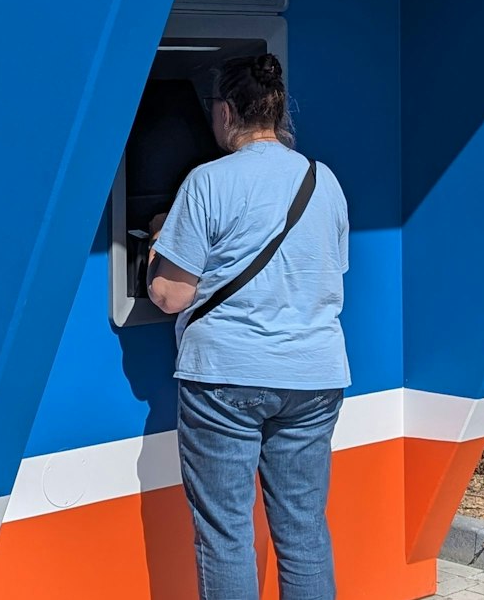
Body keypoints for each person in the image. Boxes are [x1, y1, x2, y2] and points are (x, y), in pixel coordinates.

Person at [145, 52, 351, 600]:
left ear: (226, 111)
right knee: (304, 532)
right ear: (278, 114)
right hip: (313, 377)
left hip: (226, 378)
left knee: (226, 535)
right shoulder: (323, 180)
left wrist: (157, 247)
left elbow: (170, 294)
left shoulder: (208, 181)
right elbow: (328, 271)